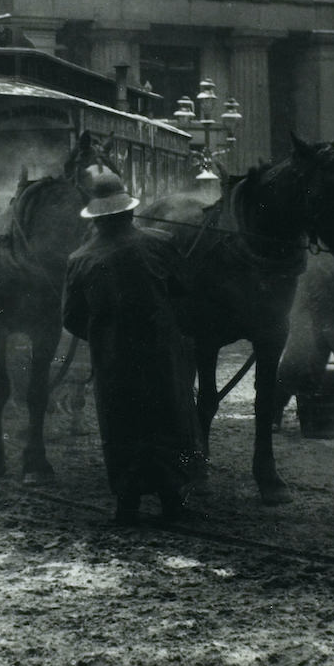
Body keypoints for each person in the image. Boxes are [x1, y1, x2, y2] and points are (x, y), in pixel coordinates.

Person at [62, 172, 206, 525]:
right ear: (128, 211)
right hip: (161, 355)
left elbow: (71, 318)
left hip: (113, 360)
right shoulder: (159, 244)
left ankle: (127, 503)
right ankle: (172, 500)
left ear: (96, 218)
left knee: (121, 426)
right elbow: (185, 291)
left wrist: (101, 337)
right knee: (168, 421)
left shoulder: (79, 258)